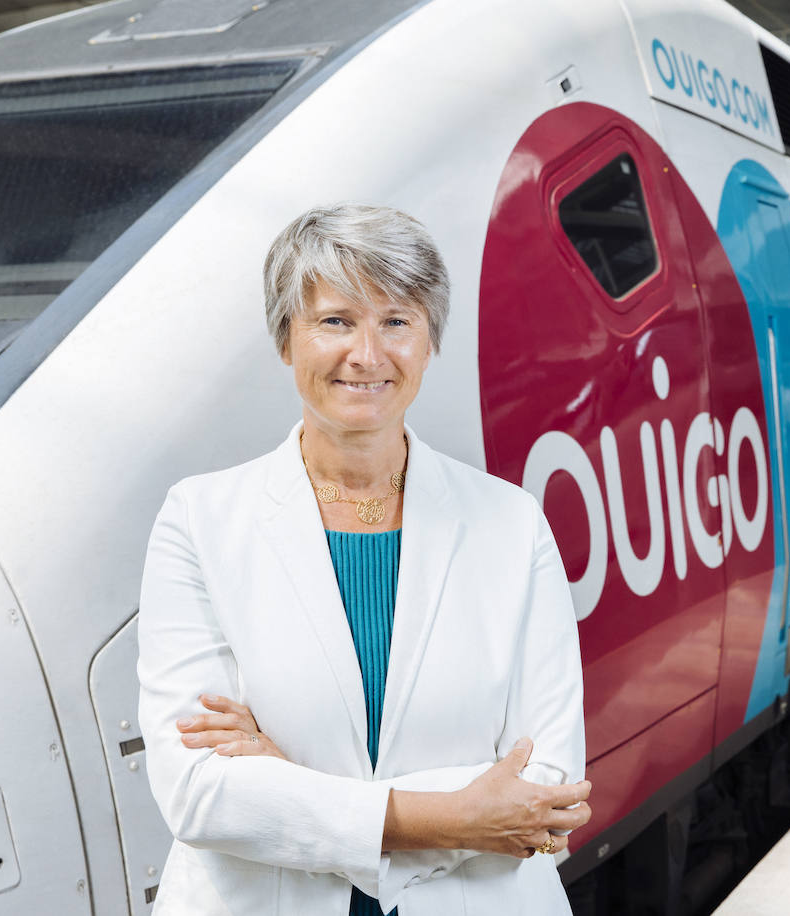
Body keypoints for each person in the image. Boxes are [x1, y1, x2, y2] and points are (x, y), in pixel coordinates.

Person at [137, 204, 590, 915]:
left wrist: (290, 786)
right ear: (287, 339)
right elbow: (200, 793)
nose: (368, 354)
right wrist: (457, 817)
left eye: (397, 322)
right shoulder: (199, 522)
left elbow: (547, 793)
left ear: (430, 342)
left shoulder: (512, 524)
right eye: (336, 321)